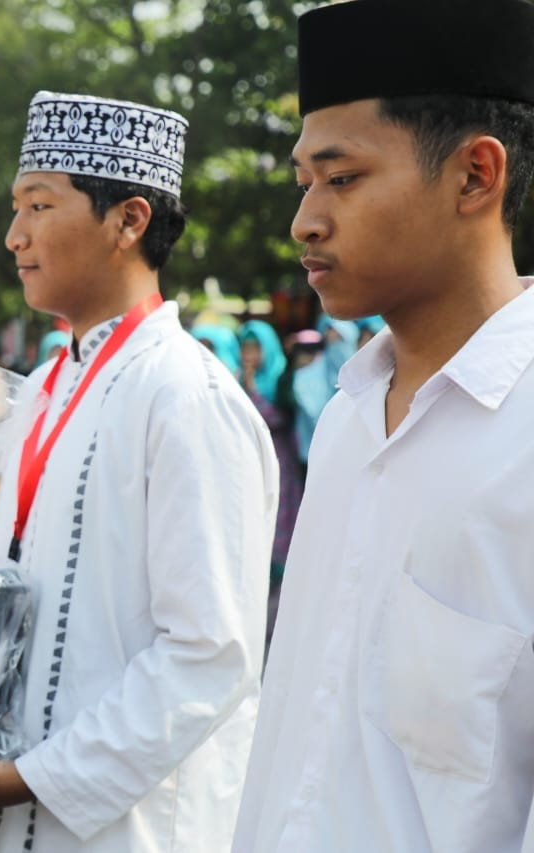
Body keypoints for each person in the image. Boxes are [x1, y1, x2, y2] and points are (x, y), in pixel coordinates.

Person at [0, 91, 278, 852]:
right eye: (16, 208)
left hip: (122, 828)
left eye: (39, 206)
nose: (14, 236)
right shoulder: (47, 385)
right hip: (0, 803)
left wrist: (29, 776)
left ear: (129, 220)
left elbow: (210, 655)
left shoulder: (186, 395)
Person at [233, 2, 534, 851]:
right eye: (304, 182)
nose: (305, 221)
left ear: (476, 175)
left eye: (343, 178)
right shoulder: (346, 421)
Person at [236, 319, 304, 644]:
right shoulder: (235, 380)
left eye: (256, 346)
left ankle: (278, 623)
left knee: (282, 539)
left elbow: (276, 418)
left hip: (282, 468)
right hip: (251, 468)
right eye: (246, 347)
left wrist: (252, 388)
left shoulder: (280, 379)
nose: (250, 354)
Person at [291, 313, 358, 467]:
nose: (335, 346)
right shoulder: (310, 374)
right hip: (315, 451)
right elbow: (312, 410)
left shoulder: (369, 376)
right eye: (330, 340)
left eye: (340, 340)